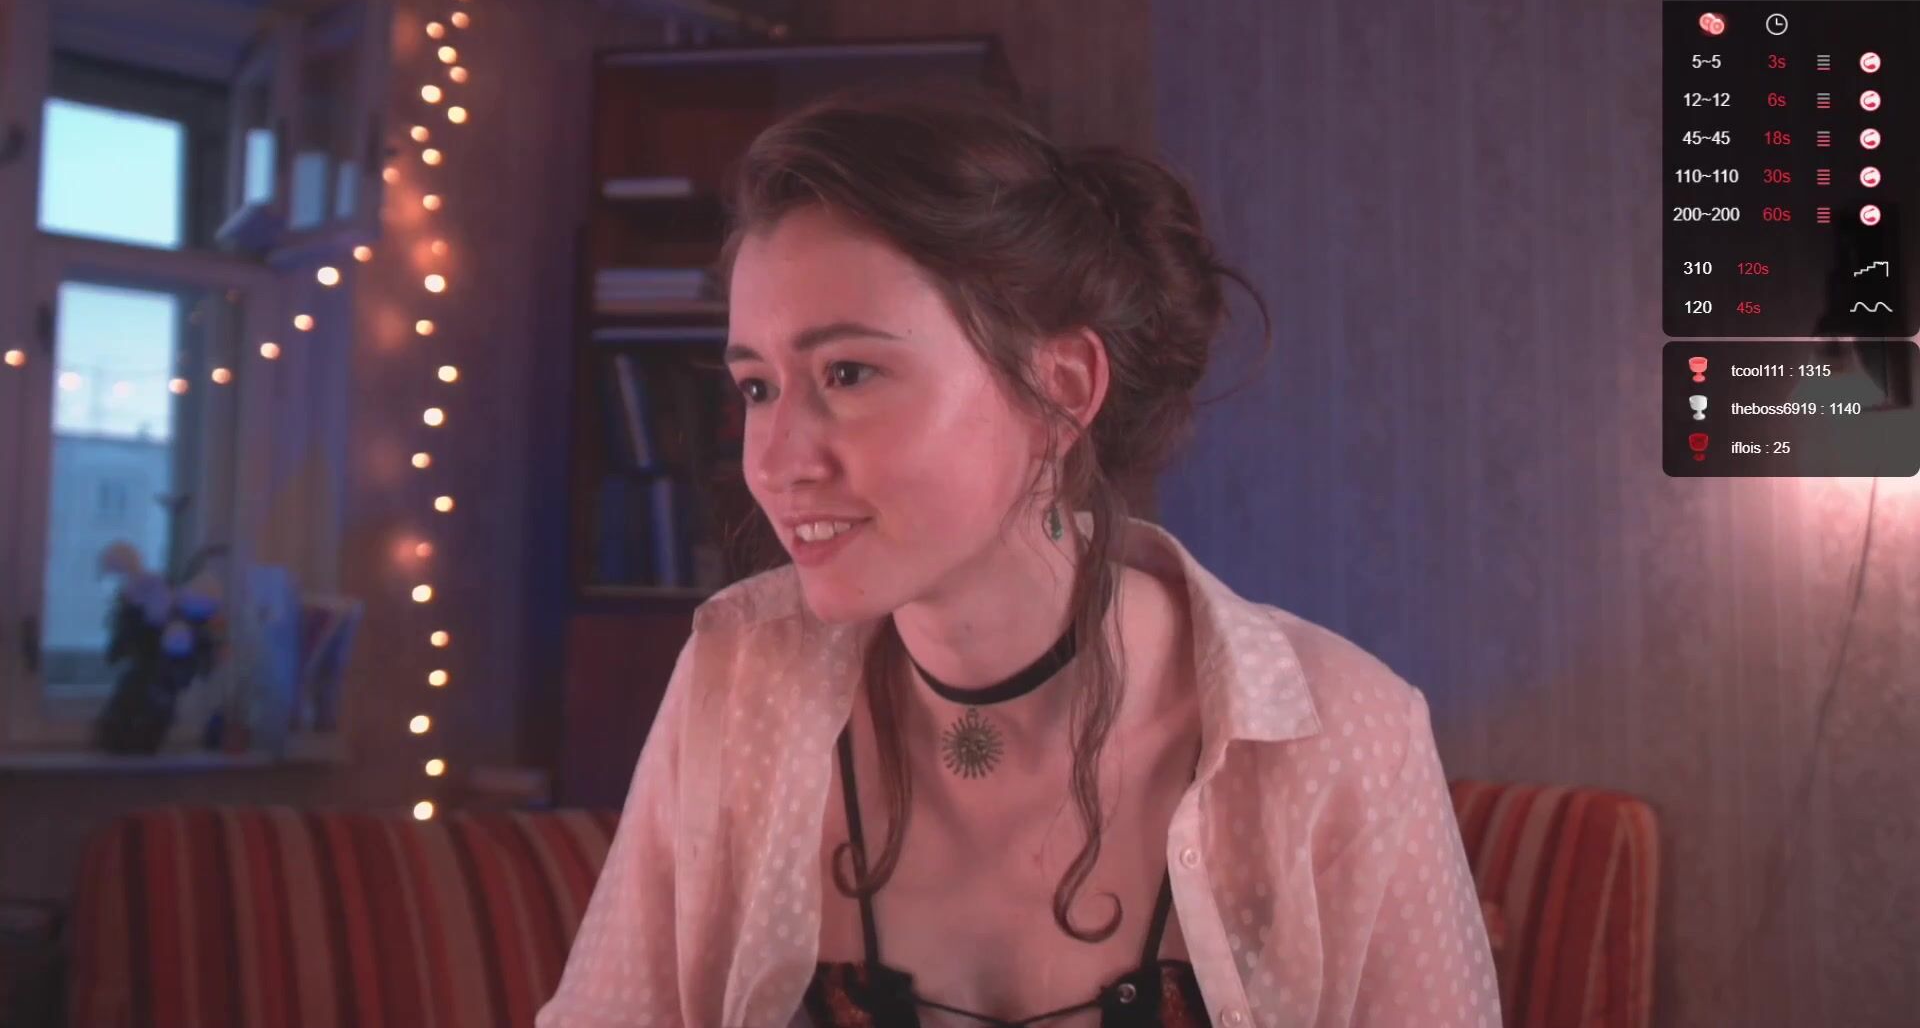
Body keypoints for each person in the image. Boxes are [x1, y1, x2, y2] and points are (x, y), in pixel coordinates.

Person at [537, 80, 1498, 1028]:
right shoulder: (739, 685)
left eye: (850, 372)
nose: (778, 461)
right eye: (757, 388)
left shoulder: (1339, 734)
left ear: (1062, 388)